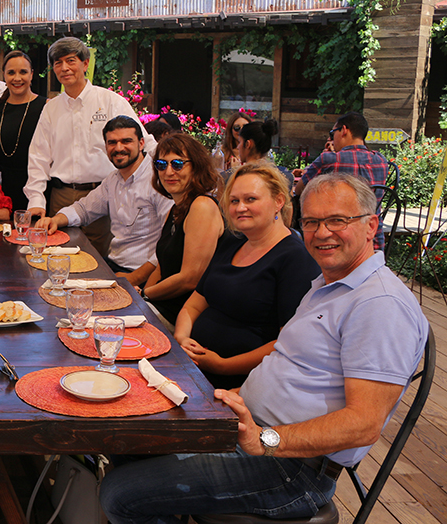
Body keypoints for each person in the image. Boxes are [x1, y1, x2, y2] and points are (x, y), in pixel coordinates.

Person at [99, 172, 428, 524]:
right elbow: (291, 367)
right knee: (123, 438)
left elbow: (363, 424)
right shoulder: (329, 285)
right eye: (313, 222)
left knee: (120, 494)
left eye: (337, 221)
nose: (321, 233)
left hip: (293, 468)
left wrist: (265, 439)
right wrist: (234, 397)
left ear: (370, 225)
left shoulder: (379, 304)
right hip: (248, 426)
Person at [173, 164, 319, 388]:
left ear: (278, 202)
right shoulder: (233, 241)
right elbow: (193, 306)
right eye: (234, 201)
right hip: (192, 366)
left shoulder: (295, 258)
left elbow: (287, 343)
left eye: (251, 199)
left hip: (240, 384)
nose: (240, 207)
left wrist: (222, 364)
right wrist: (182, 339)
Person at [24, 37, 155, 256]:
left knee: (101, 260)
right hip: (61, 196)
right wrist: (36, 199)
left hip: (104, 195)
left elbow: (145, 143)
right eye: (58, 63)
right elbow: (38, 157)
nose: (64, 68)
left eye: (71, 60)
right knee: (59, 259)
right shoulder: (51, 109)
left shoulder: (111, 101)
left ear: (85, 64)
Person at [35, 116, 173, 285]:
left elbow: (169, 243)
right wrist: (55, 220)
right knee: (49, 277)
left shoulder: (158, 180)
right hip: (113, 266)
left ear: (142, 143)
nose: (119, 148)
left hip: (143, 276)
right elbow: (84, 209)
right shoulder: (113, 180)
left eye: (126, 141)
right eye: (112, 142)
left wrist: (134, 279)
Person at [139, 133, 225, 326]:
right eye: (162, 165)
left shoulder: (202, 205)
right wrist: (142, 297)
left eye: (177, 164)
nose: (168, 172)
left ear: (196, 167)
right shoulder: (176, 208)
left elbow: (190, 279)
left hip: (185, 315)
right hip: (161, 305)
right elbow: (162, 266)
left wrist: (144, 295)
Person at [295, 112, 387, 250]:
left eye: (333, 134)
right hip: (373, 240)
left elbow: (299, 190)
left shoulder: (329, 159)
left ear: (344, 130)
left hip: (335, 241)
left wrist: (325, 157)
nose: (332, 139)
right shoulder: (381, 160)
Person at [0, 51, 47, 210]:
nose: (17, 78)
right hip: (6, 193)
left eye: (23, 72)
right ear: (4, 75)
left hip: (41, 192)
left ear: (31, 74)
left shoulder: (46, 107)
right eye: (11, 72)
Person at [233, 118, 294, 191]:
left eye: (240, 142)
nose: (238, 147)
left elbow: (223, 202)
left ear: (248, 144)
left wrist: (234, 170)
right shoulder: (286, 177)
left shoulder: (233, 177)